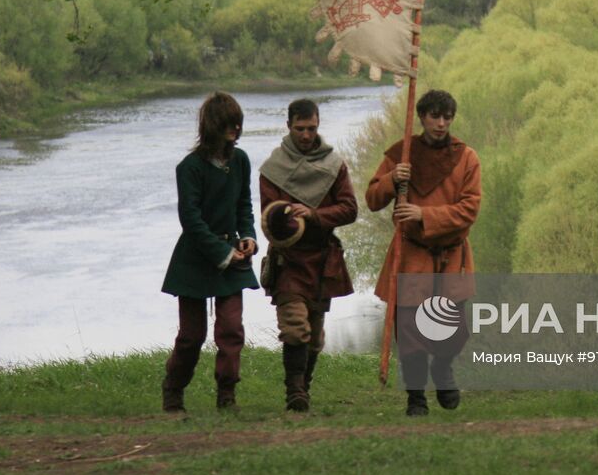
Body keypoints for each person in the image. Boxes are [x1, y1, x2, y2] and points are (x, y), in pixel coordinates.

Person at [366, 89, 481, 417]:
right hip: (412, 254)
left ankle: (443, 370)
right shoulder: (401, 155)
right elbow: (373, 198)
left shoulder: (466, 158)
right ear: (421, 117)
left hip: (451, 257)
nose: (441, 123)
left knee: (454, 331)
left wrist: (424, 215)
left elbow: (469, 209)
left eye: (447, 117)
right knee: (410, 331)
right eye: (434, 116)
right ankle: (415, 397)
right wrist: (392, 178)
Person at [160, 92, 259, 413]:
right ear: (212, 126)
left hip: (232, 255)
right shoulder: (189, 167)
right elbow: (191, 219)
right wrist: (222, 253)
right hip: (194, 258)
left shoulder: (241, 161)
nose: (235, 128)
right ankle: (173, 390)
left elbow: (244, 206)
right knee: (192, 336)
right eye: (228, 123)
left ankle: (226, 396)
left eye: (237, 122)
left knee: (231, 330)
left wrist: (248, 238)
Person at [257, 98, 357, 412]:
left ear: (318, 125)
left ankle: (304, 387)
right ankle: (295, 393)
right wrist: (290, 218)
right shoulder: (272, 170)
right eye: (300, 128)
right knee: (294, 326)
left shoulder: (334, 165)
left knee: (314, 335)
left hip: (322, 258)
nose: (306, 134)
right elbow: (270, 217)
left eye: (311, 128)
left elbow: (350, 209)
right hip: (289, 259)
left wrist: (314, 215)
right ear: (288, 126)